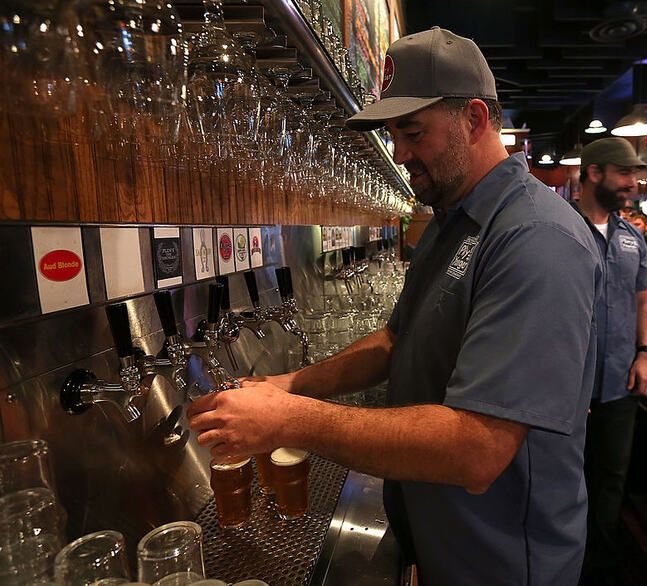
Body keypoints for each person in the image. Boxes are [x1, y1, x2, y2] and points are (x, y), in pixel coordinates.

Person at [187, 27, 603, 586]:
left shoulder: (536, 239)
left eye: (412, 132)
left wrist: (291, 420)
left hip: (501, 560)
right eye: (393, 135)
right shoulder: (448, 221)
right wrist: (293, 385)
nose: (400, 154)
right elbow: (393, 339)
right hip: (441, 539)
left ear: (475, 120)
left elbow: (477, 451)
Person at [574, 137, 647, 585]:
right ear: (594, 173)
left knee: (611, 478)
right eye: (625, 174)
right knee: (565, 478)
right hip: (569, 385)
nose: (633, 183)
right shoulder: (558, 228)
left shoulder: (632, 238)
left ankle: (598, 568)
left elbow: (644, 301)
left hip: (620, 381)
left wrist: (645, 353)